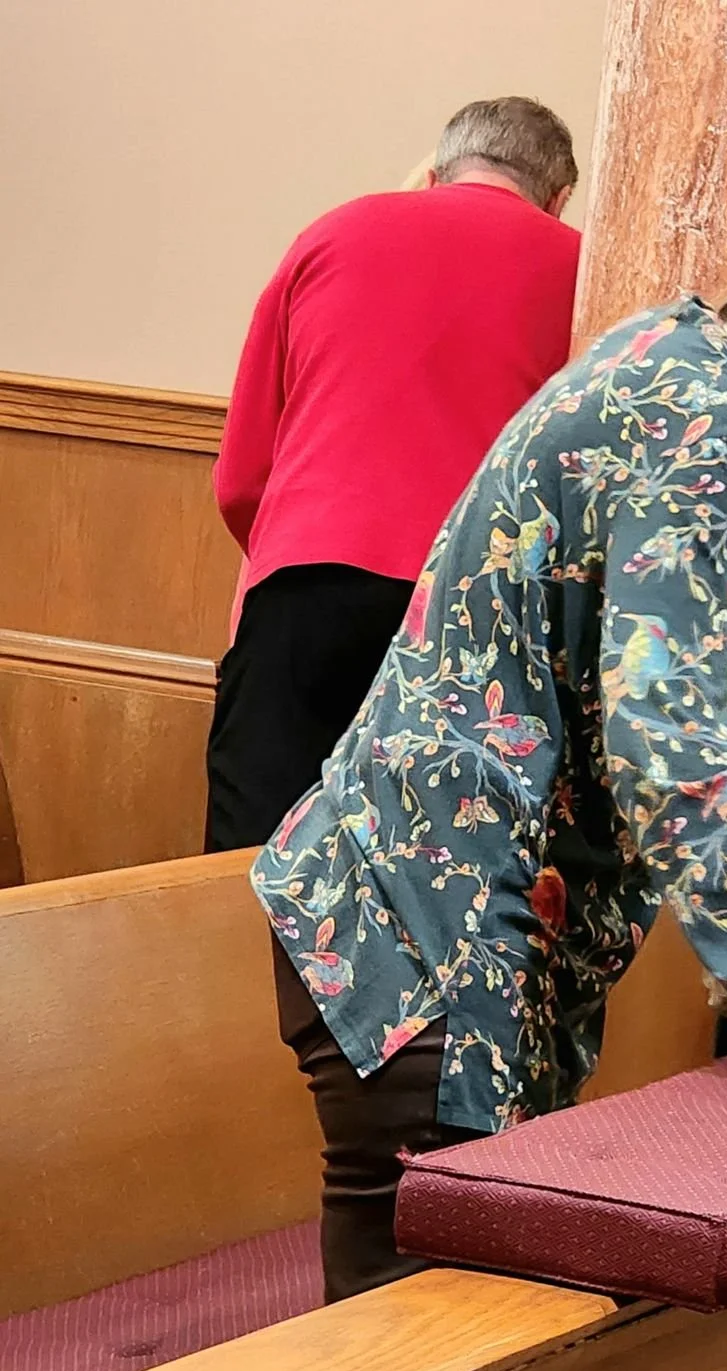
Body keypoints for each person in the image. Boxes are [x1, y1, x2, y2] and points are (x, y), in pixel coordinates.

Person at [249, 179, 727, 1302]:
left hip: (445, 924)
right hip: (426, 941)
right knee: (424, 1332)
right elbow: (668, 760)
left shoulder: (699, 369)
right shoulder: (698, 433)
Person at [204, 97, 583, 854]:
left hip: (306, 586)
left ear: (439, 169)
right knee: (433, 873)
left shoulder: (332, 233)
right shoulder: (581, 268)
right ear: (558, 195)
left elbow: (242, 478)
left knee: (249, 864)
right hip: (470, 611)